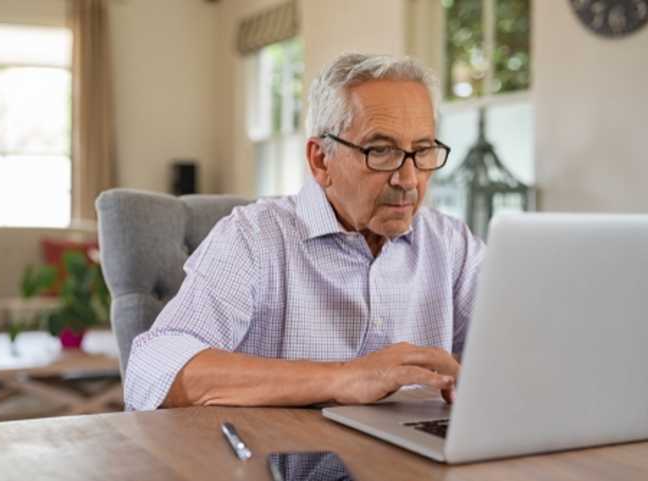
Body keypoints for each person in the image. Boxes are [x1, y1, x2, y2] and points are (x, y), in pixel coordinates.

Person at [124, 53, 485, 411]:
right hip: (280, 464)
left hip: (415, 466)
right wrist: (345, 378)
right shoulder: (253, 237)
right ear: (320, 160)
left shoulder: (452, 245)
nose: (408, 180)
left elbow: (526, 348)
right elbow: (152, 370)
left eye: (422, 151)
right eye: (380, 151)